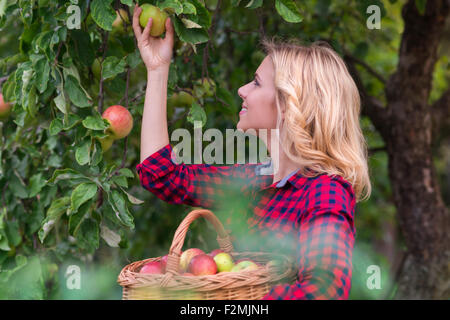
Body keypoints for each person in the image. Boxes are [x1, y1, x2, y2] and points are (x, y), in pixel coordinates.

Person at [132, 4, 371, 300]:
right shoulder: (253, 179)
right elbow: (161, 174)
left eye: (257, 83)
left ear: (289, 104)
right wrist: (157, 70)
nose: (242, 90)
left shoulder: (325, 192)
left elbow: (323, 293)